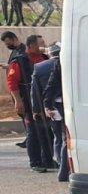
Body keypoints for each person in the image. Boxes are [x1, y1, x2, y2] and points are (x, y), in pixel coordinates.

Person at [4, 30, 52, 172]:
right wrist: (18, 101)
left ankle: (48, 160)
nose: (43, 47)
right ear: (31, 46)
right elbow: (12, 83)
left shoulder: (43, 58)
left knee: (46, 131)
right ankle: (35, 162)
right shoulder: (19, 61)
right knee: (33, 131)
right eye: (40, 44)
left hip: (44, 101)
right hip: (28, 101)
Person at [33, 42, 66, 180]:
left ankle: (59, 162)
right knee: (66, 137)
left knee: (58, 136)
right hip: (68, 106)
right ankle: (65, 167)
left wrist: (40, 108)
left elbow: (36, 91)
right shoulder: (67, 63)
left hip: (54, 106)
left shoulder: (40, 67)